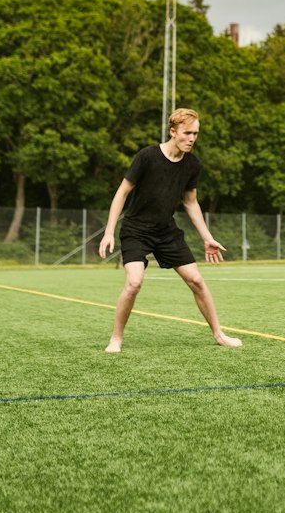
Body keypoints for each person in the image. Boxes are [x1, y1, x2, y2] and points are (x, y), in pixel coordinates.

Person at [98, 107, 242, 353]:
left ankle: (219, 334)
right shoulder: (147, 156)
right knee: (134, 283)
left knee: (196, 280)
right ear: (173, 132)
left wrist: (207, 238)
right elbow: (122, 192)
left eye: (196, 133)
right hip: (136, 230)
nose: (192, 138)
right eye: (187, 133)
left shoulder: (192, 165)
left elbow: (190, 202)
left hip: (166, 232)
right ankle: (116, 339)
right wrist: (110, 231)